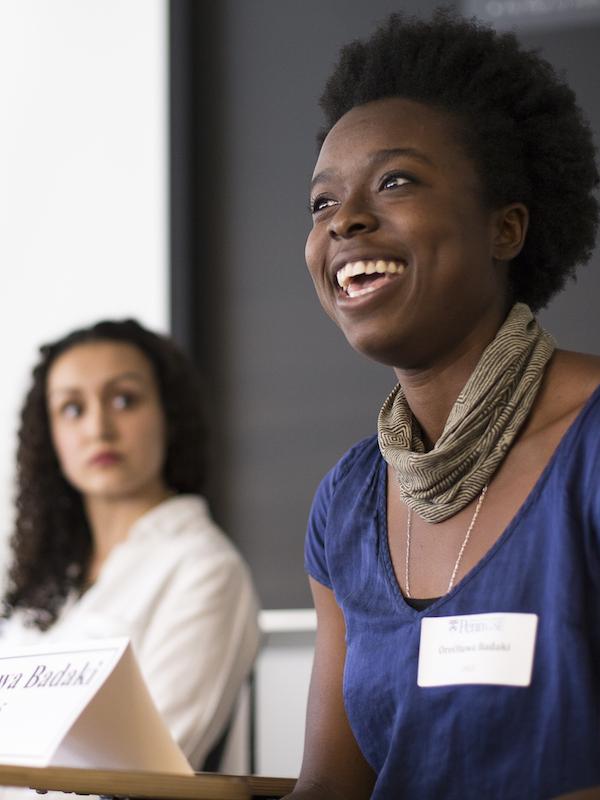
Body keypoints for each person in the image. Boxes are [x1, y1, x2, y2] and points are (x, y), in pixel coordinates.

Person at [287, 10, 600, 800]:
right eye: (322, 204)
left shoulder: (592, 444)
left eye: (395, 181)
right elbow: (329, 790)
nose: (346, 220)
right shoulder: (346, 506)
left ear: (506, 228)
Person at [0, 319, 259, 772]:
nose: (99, 428)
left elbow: (150, 769)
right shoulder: (45, 579)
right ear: (50, 435)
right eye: (72, 409)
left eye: (124, 400)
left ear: (168, 415)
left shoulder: (204, 568)